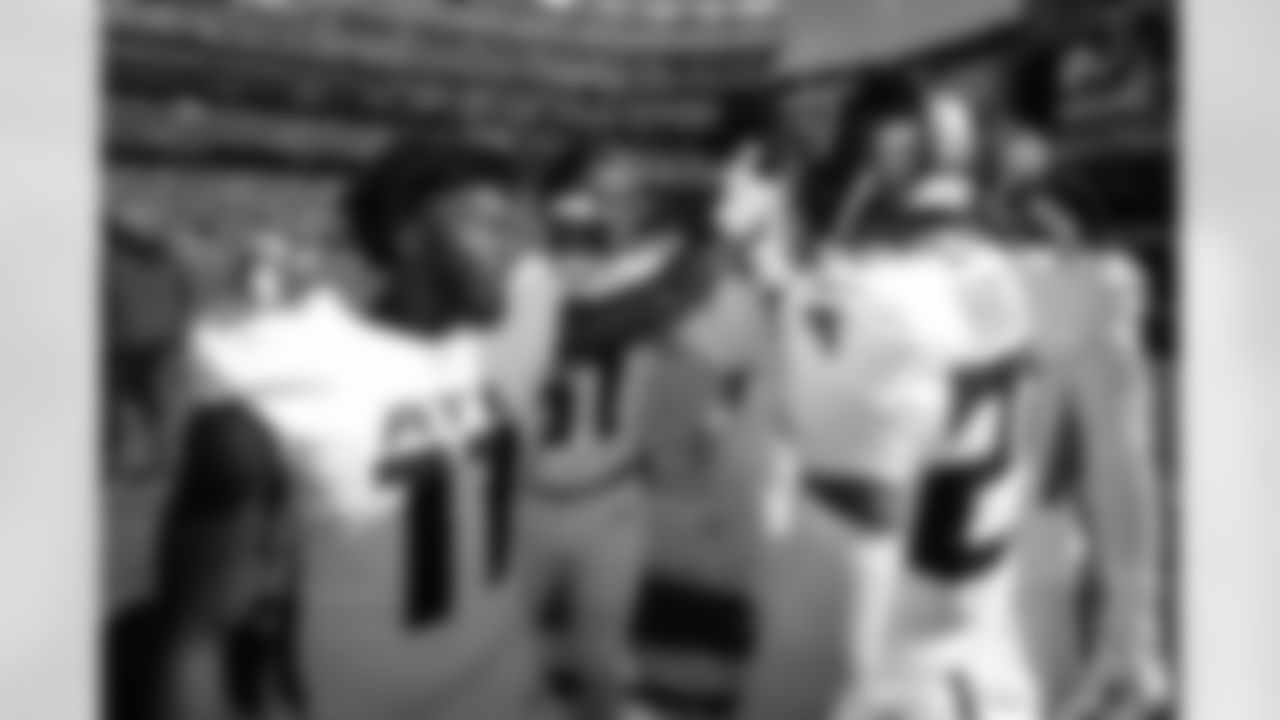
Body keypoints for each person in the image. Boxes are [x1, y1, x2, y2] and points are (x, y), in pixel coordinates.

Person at [149, 139, 562, 720]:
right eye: (489, 227)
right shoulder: (287, 376)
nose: (515, 254)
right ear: (406, 234)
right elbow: (194, 635)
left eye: (518, 231)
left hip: (503, 682)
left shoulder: (479, 349)